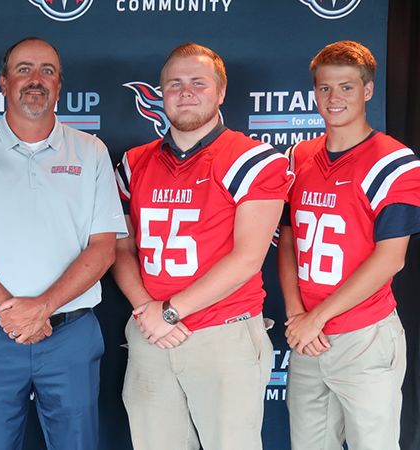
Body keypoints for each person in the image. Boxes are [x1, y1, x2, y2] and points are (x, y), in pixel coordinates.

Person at [0, 37, 126, 450]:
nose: (35, 80)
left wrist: (42, 308)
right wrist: (12, 313)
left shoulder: (91, 152)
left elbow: (103, 249)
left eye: (47, 71)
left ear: (59, 86)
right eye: (24, 69)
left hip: (70, 334)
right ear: (3, 82)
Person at [112, 43, 292, 450]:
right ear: (160, 92)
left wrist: (172, 311)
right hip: (151, 332)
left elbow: (248, 258)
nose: (185, 91)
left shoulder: (254, 159)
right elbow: (121, 248)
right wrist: (147, 310)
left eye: (198, 82)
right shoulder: (134, 162)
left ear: (221, 91)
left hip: (221, 335)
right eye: (174, 83)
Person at [277, 40, 420, 450]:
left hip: (363, 335)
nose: (333, 98)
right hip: (307, 335)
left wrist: (315, 318)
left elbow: (390, 259)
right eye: (324, 88)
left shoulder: (393, 161)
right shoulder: (299, 155)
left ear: (368, 91)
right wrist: (296, 314)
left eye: (346, 87)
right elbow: (289, 239)